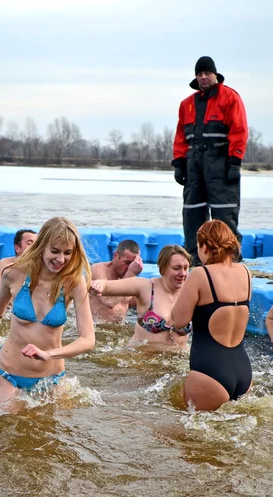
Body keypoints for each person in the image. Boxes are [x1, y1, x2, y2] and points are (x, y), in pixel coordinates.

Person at [0, 217, 95, 412]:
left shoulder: (74, 283)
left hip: (51, 377)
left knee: (49, 438)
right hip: (8, 373)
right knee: (9, 432)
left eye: (67, 253)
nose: (61, 259)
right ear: (42, 247)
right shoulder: (14, 273)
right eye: (55, 251)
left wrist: (49, 354)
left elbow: (88, 339)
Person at [172, 56, 248, 264]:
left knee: (225, 213)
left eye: (207, 73)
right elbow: (180, 136)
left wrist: (235, 161)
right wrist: (179, 163)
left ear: (216, 75)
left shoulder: (230, 98)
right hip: (194, 166)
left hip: (221, 164)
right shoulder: (186, 104)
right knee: (192, 213)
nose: (204, 77)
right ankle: (194, 258)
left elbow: (239, 130)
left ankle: (229, 258)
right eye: (200, 74)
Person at [171, 220, 252, 411]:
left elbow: (178, 321)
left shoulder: (200, 274)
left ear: (205, 246)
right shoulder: (246, 272)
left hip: (209, 372)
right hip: (243, 370)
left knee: (191, 438)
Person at [90, 245, 191, 347]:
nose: (182, 273)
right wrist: (99, 285)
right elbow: (108, 286)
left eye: (186, 268)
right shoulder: (146, 287)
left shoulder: (191, 292)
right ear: (162, 269)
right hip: (141, 359)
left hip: (175, 359)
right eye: (176, 268)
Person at [90, 239, 143, 323]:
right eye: (127, 262)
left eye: (133, 264)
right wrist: (130, 273)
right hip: (98, 329)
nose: (130, 267)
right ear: (115, 255)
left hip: (119, 329)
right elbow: (109, 302)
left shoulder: (129, 278)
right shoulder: (98, 269)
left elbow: (139, 303)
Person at [0, 229, 37, 293]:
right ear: (17, 248)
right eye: (30, 243)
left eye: (37, 244)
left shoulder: (41, 266)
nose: (35, 247)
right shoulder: (5, 264)